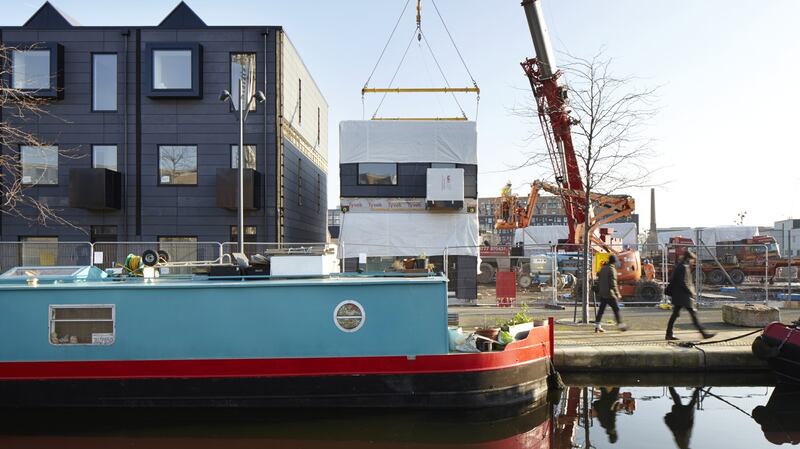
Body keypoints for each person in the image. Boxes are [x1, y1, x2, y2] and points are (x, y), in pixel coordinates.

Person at [665, 251, 715, 340]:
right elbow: (683, 282)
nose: (693, 262)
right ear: (689, 259)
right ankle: (703, 334)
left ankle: (669, 334)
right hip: (683, 296)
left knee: (676, 315)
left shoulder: (681, 266)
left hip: (680, 295)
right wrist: (690, 292)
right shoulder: (683, 267)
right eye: (692, 260)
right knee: (693, 315)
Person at [595, 255, 627, 333]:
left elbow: (598, 277)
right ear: (614, 261)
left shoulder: (603, 268)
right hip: (610, 294)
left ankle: (597, 326)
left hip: (603, 293)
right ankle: (621, 325)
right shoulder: (612, 269)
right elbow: (613, 283)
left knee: (601, 310)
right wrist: (617, 293)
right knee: (616, 309)